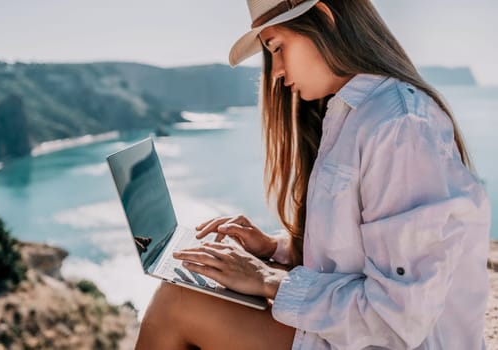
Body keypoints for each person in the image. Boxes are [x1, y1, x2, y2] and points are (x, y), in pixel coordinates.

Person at [135, 0, 491, 349]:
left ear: (323, 18)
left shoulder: (399, 126)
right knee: (189, 290)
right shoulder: (354, 113)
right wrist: (276, 248)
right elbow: (364, 248)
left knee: (178, 304)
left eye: (276, 47)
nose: (274, 71)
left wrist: (267, 279)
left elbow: (398, 320)